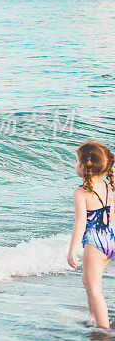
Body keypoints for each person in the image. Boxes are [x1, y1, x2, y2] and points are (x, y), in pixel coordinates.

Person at [68, 140, 115, 328]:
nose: (75, 165)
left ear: (84, 166)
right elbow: (110, 214)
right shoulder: (105, 185)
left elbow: (80, 223)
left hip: (94, 242)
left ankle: (102, 331)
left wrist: (72, 250)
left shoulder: (81, 192)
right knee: (88, 281)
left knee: (95, 289)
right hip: (108, 238)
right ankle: (93, 318)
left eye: (76, 162)